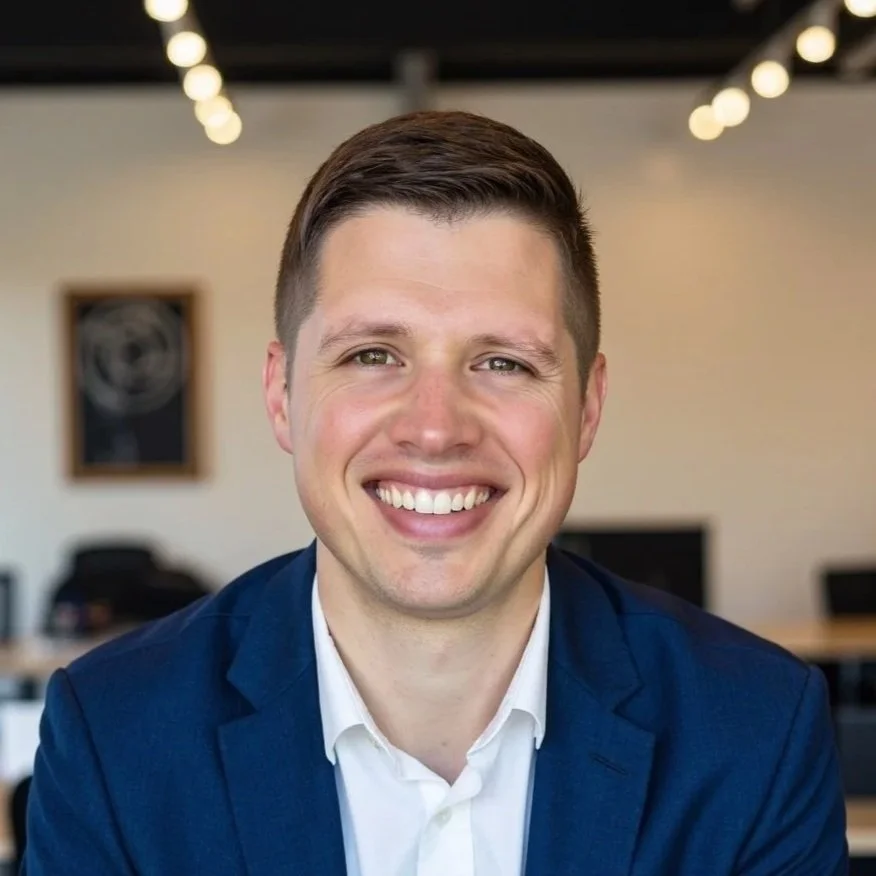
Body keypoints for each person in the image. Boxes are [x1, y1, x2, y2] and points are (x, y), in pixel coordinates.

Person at [24, 110, 847, 875]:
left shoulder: (756, 731)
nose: (434, 427)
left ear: (587, 409)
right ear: (281, 395)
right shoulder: (113, 738)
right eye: (373, 355)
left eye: (503, 363)